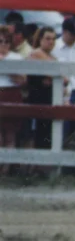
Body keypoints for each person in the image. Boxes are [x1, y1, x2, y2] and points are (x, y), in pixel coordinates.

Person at [0, 30, 26, 168]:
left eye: (7, 41)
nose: (4, 44)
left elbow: (22, 81)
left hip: (12, 93)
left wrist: (6, 67)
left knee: (10, 134)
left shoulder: (16, 57)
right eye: (0, 41)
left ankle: (6, 169)